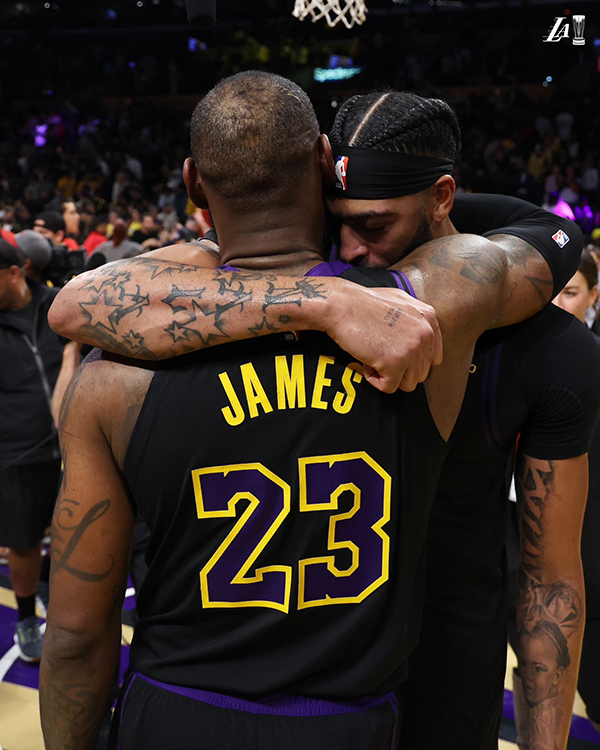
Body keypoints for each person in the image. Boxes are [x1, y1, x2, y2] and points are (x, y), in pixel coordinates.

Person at [42, 73, 572, 750]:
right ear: (325, 162)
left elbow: (76, 635)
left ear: (193, 184)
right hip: (349, 721)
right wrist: (329, 300)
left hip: (174, 712)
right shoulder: (433, 304)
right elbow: (550, 237)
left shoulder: (113, 377)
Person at [0, 239, 79, 662]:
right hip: (19, 450)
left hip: (78, 443)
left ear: (14, 272)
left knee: (81, 535)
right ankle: (27, 616)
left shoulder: (59, 304)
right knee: (24, 541)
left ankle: (58, 592)